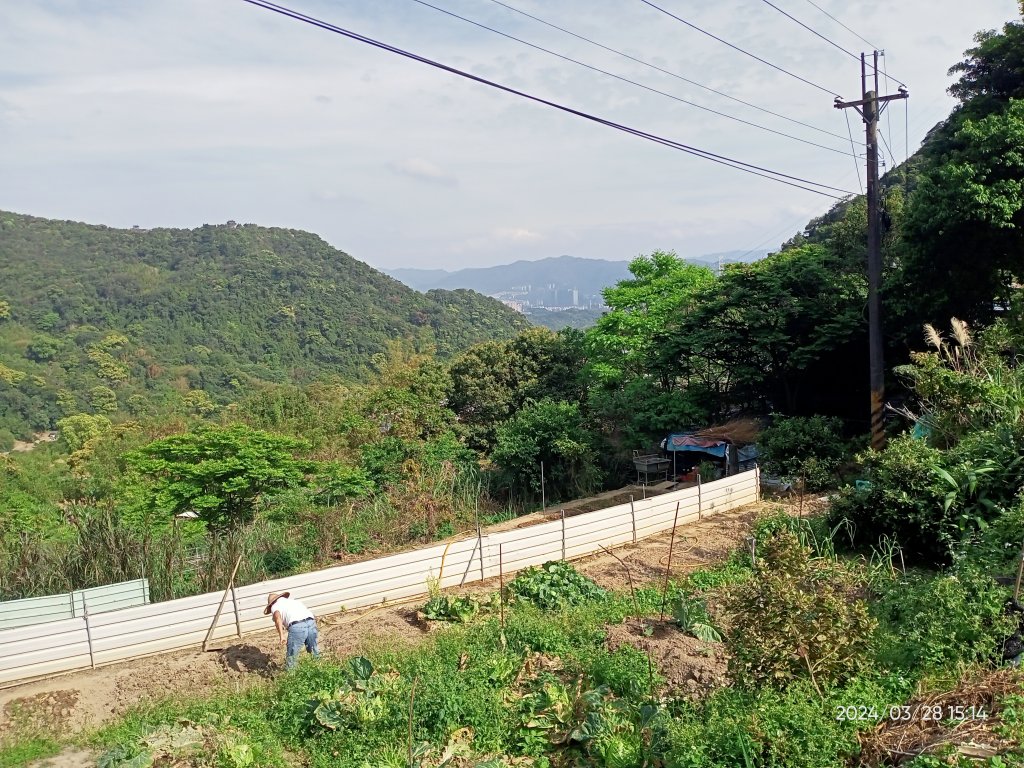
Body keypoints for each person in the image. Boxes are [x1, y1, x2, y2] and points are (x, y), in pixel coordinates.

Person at [264, 591, 320, 669]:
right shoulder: (294, 601)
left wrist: (281, 636)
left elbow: (277, 619)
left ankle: (291, 674)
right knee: (314, 650)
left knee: (292, 655)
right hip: (311, 622)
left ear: (271, 604)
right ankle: (319, 669)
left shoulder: (275, 606)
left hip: (297, 626)